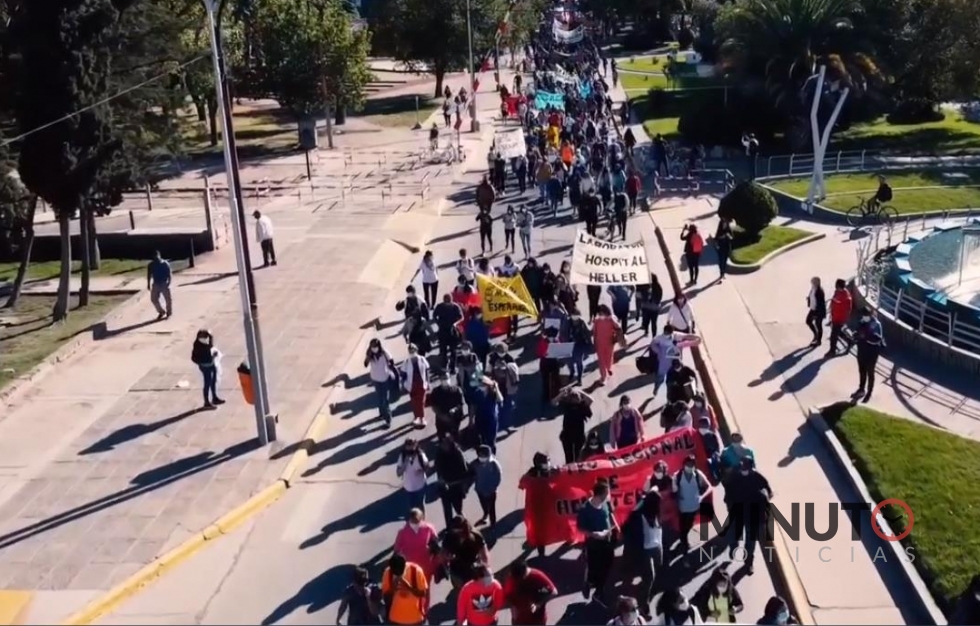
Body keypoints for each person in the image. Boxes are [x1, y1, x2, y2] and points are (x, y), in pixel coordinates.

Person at [725, 456, 772, 574]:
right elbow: (728, 494)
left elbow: (768, 491)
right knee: (733, 534)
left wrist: (764, 499)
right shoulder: (735, 477)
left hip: (752, 514)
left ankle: (748, 562)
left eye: (746, 467)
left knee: (751, 540)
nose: (743, 469)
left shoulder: (757, 477)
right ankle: (733, 547)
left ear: (751, 468)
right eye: (742, 466)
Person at [622, 491, 664, 619]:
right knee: (650, 577)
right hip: (644, 551)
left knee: (658, 569)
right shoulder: (637, 516)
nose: (660, 505)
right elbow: (626, 529)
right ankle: (643, 605)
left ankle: (647, 590)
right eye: (658, 503)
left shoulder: (656, 513)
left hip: (657, 547)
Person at [576, 480, 619, 603]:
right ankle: (589, 583)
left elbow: (610, 514)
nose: (609, 495)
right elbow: (580, 528)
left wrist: (616, 526)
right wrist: (593, 534)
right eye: (607, 493)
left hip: (607, 541)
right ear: (601, 494)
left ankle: (599, 591)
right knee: (595, 568)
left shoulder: (606, 503)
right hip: (594, 545)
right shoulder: (585, 509)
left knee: (608, 565)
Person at [672, 455, 711, 553]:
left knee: (689, 525)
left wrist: (701, 497)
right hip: (683, 508)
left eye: (692, 464)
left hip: (694, 507)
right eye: (688, 464)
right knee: (683, 526)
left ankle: (683, 538)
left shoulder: (698, 474)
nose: (690, 467)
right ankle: (684, 544)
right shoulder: (677, 476)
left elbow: (709, 487)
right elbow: (674, 491)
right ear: (684, 465)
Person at [504, 558, 557, 625]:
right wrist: (514, 614)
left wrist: (538, 604)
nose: (516, 580)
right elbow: (509, 597)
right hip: (519, 621)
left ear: (525, 573)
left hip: (537, 620)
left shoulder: (537, 576)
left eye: (519, 578)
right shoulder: (512, 577)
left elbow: (554, 592)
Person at [442, 516, 490, 588]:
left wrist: (485, 566)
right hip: (459, 571)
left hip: (471, 568)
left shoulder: (475, 535)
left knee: (470, 589)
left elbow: (484, 553)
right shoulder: (449, 537)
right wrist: (447, 559)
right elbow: (443, 554)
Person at [381, 553, 428, 626]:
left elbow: (423, 593)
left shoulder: (416, 571)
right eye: (395, 573)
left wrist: (409, 587)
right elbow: (386, 598)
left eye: (400, 572)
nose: (398, 574)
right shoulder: (388, 573)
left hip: (415, 619)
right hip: (395, 619)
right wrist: (393, 589)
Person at [434, 434, 470, 528]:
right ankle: (449, 528)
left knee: (458, 509)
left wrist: (463, 486)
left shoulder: (457, 453)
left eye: (445, 443)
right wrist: (440, 478)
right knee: (447, 509)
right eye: (442, 443)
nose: (442, 445)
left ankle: (464, 526)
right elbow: (437, 466)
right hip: (444, 486)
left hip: (456, 486)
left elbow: (464, 470)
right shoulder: (439, 453)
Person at [553, 386, 593, 464]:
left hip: (579, 436)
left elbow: (591, 400)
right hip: (567, 436)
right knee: (569, 458)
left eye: (577, 396)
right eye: (573, 396)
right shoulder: (567, 405)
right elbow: (554, 402)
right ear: (570, 399)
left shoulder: (582, 406)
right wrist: (562, 394)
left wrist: (580, 391)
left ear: (580, 398)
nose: (575, 398)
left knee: (578, 458)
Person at [854, 307, 884, 403]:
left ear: (870, 315)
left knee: (870, 372)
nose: (864, 317)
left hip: (872, 353)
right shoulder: (861, 322)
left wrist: (865, 337)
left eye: (865, 315)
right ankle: (861, 389)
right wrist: (856, 335)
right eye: (863, 315)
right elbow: (858, 332)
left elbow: (877, 340)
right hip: (861, 351)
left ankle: (869, 392)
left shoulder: (876, 324)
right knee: (862, 371)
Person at [365, 338, 397, 427]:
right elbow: (365, 364)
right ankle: (382, 413)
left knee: (385, 400)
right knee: (379, 398)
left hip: (384, 378)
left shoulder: (384, 353)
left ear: (379, 346)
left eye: (375, 346)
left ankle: (388, 419)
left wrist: (389, 368)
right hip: (375, 379)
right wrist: (368, 357)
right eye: (372, 347)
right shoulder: (370, 354)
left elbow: (391, 361)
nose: (374, 348)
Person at [190, 329, 224, 409]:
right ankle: (206, 401)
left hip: (211, 365)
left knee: (213, 381)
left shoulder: (205, 343)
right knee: (207, 383)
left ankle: (214, 397)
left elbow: (210, 345)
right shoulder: (199, 347)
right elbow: (205, 358)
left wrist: (210, 338)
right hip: (206, 366)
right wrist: (213, 356)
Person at [470, 444, 502, 527]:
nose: (482, 457)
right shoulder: (475, 464)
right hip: (480, 489)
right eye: (480, 455)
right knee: (483, 504)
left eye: (484, 455)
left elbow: (498, 477)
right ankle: (485, 514)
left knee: (492, 508)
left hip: (491, 491)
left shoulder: (494, 464)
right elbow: (470, 474)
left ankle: (493, 523)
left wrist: (493, 488)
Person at [396, 438, 429, 514]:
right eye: (408, 451)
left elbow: (427, 468)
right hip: (409, 488)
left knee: (420, 506)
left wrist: (421, 470)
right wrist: (405, 463)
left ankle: (422, 520)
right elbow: (398, 473)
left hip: (420, 486)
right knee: (413, 509)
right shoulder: (402, 456)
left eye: (412, 451)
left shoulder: (420, 455)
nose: (410, 453)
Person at [592, 303, 623, 384]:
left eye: (601, 313)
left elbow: (618, 327)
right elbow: (594, 332)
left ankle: (608, 369)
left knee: (609, 358)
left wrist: (613, 319)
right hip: (600, 343)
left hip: (609, 343)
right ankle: (604, 377)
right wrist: (594, 342)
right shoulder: (597, 321)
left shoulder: (611, 319)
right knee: (601, 361)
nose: (600, 315)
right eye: (599, 313)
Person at [401, 344, 430, 427]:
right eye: (410, 351)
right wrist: (403, 385)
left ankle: (422, 418)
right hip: (412, 386)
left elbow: (427, 370)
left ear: (416, 350)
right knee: (414, 402)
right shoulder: (406, 362)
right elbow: (403, 374)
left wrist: (428, 382)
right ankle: (416, 417)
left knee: (421, 402)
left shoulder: (422, 359)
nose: (412, 352)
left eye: (413, 350)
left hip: (421, 384)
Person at [430, 372, 465, 440]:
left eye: (446, 378)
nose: (445, 380)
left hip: (454, 418)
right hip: (441, 418)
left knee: (454, 437)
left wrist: (454, 410)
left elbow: (460, 404)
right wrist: (441, 416)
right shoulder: (436, 391)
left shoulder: (456, 390)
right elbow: (433, 406)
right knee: (442, 437)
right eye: (443, 378)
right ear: (440, 380)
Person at [434, 294, 464, 373]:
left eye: (449, 303)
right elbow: (434, 315)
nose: (447, 304)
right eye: (446, 303)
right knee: (443, 351)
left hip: (452, 330)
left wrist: (455, 323)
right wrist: (438, 323)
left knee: (453, 351)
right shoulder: (439, 306)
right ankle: (444, 366)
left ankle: (453, 367)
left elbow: (461, 317)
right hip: (442, 330)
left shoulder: (455, 307)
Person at [473, 376, 503, 453]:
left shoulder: (493, 393)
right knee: (481, 440)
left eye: (483, 384)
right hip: (480, 419)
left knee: (491, 440)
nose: (481, 386)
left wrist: (497, 388)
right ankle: (483, 455)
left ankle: (492, 454)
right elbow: (474, 406)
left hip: (491, 420)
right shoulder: (477, 392)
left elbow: (500, 399)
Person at [827, 278, 854, 357]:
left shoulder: (846, 297)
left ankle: (832, 351)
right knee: (838, 332)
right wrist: (831, 312)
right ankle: (850, 341)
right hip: (835, 316)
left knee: (833, 335)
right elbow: (833, 301)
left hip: (839, 319)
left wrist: (843, 319)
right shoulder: (837, 292)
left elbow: (847, 309)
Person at [146, 250, 173, 319]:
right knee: (153, 299)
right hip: (156, 283)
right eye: (154, 256)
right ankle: (161, 311)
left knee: (168, 299)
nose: (155, 258)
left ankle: (169, 312)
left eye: (156, 256)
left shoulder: (165, 263)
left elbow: (169, 273)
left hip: (164, 283)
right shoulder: (151, 265)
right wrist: (148, 284)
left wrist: (169, 281)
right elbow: (149, 275)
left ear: (159, 255)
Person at [805, 276, 826, 347]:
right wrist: (808, 299)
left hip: (819, 311)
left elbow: (820, 304)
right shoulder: (813, 288)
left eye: (813, 282)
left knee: (818, 325)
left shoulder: (819, 291)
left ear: (816, 283)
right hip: (813, 309)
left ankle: (818, 341)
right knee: (808, 321)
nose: (811, 283)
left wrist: (816, 314)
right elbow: (811, 296)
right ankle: (816, 335)